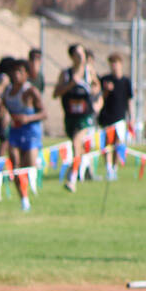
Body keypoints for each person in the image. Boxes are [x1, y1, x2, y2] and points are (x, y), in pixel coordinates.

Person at [52, 43, 100, 192]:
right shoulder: (66, 74)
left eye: (82, 54)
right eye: (78, 54)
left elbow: (97, 86)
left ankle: (72, 178)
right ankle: (81, 169)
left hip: (85, 116)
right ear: (72, 57)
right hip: (70, 116)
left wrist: (93, 92)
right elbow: (56, 93)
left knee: (76, 143)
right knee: (77, 148)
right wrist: (70, 85)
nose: (81, 57)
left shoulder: (89, 71)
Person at [3, 59, 45, 211]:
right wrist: (5, 115)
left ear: (26, 74)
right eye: (14, 71)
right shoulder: (7, 91)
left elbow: (44, 113)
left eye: (20, 71)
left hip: (31, 132)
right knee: (15, 165)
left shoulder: (31, 91)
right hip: (15, 132)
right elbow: (3, 108)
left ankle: (29, 186)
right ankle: (23, 199)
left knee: (29, 167)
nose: (16, 74)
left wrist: (28, 118)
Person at [98, 52, 133, 181]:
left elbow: (129, 100)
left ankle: (114, 168)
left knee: (118, 144)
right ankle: (108, 169)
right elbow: (99, 99)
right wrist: (106, 90)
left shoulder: (126, 81)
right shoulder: (105, 80)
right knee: (107, 144)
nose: (114, 66)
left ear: (120, 64)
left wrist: (131, 117)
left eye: (116, 63)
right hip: (107, 117)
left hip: (120, 118)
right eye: (111, 64)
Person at [0, 55, 17, 157]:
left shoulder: (0, 77)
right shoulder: (5, 78)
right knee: (4, 142)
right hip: (3, 114)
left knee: (7, 143)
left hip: (1, 113)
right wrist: (3, 110)